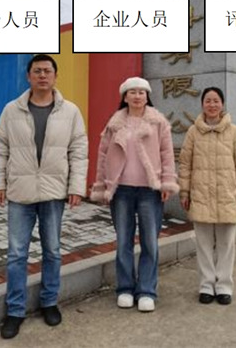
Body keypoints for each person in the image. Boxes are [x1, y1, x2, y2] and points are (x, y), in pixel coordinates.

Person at [0, 54, 88, 339]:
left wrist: (76, 187)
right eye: (37, 71)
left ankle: (49, 302)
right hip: (20, 193)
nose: (42, 75)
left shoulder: (70, 111)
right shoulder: (12, 110)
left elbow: (78, 151)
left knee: (53, 250)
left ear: (55, 76)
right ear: (29, 76)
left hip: (54, 192)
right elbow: (0, 148)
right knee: (16, 254)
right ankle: (15, 310)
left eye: (47, 71)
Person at [90, 77, 178, 312]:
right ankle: (125, 288)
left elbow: (167, 154)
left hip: (150, 191)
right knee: (123, 242)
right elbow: (103, 155)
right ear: (125, 97)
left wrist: (167, 183)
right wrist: (102, 185)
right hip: (121, 191)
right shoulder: (115, 123)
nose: (137, 96)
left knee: (149, 242)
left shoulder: (158, 122)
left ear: (147, 96)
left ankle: (147, 290)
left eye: (141, 92)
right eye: (133, 92)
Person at [178, 86, 236, 306]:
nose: (212, 104)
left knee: (226, 244)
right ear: (202, 104)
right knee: (203, 244)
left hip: (226, 195)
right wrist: (184, 191)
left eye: (216, 100)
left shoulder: (234, 131)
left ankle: (224, 286)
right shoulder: (193, 132)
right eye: (208, 101)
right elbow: (185, 164)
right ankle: (206, 285)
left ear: (222, 104)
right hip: (201, 195)